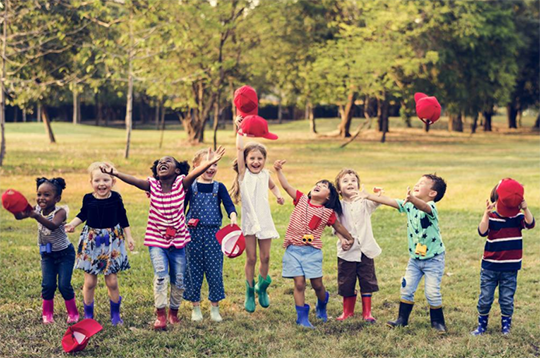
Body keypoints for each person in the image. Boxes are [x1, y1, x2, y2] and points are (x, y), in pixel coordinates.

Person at [101, 147, 225, 330]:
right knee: (160, 276)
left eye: (168, 161)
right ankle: (160, 316)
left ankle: (173, 314)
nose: (162, 163)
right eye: (160, 162)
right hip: (156, 239)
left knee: (179, 278)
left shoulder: (181, 184)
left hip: (179, 241)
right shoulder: (153, 185)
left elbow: (195, 173)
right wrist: (116, 173)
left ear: (177, 170)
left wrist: (207, 162)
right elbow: (135, 181)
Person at [357, 174, 448, 333]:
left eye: (422, 183)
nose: (417, 184)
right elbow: (392, 201)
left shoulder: (431, 207)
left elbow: (424, 207)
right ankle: (402, 319)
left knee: (432, 292)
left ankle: (438, 322)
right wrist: (368, 196)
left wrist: (413, 199)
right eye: (417, 182)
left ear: (432, 193)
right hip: (415, 259)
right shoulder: (409, 205)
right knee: (406, 288)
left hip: (434, 260)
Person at [274, 159, 354, 328]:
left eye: (323, 185)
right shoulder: (301, 200)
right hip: (293, 250)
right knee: (299, 283)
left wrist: (349, 237)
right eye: (317, 184)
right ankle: (302, 317)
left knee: (317, 284)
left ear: (329, 197)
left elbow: (338, 226)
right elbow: (287, 187)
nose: (318, 185)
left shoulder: (327, 212)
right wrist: (278, 171)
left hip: (312, 252)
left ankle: (323, 301)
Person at [66, 162, 135, 326]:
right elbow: (83, 214)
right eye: (97, 180)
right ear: (91, 183)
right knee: (90, 282)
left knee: (111, 281)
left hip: (112, 242)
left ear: (113, 181)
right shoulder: (88, 198)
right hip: (92, 242)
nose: (101, 184)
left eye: (106, 180)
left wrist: (129, 237)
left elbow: (123, 218)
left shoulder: (116, 198)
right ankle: (88, 315)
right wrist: (72, 224)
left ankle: (115, 315)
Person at [230, 117, 283, 313]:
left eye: (259, 158)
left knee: (266, 257)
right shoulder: (243, 175)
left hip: (265, 221)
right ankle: (250, 291)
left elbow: (274, 186)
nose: (256, 161)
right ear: (246, 160)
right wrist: (240, 130)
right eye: (252, 158)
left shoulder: (265, 175)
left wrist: (278, 196)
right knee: (251, 258)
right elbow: (238, 149)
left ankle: (262, 288)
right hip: (250, 223)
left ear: (264, 160)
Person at [471, 178, 535, 335]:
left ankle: (506, 326)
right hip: (490, 267)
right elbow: (482, 231)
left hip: (510, 268)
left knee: (506, 299)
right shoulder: (492, 217)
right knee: (485, 298)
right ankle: (482, 325)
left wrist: (525, 209)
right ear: (496, 198)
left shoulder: (518, 217)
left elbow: (531, 223)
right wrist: (485, 215)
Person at [183, 149, 237, 323]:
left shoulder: (218, 187)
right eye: (207, 163)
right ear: (196, 167)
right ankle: (196, 307)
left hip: (214, 235)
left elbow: (229, 205)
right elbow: (180, 208)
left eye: (215, 164)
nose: (211, 167)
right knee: (193, 271)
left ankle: (215, 308)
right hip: (192, 235)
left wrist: (233, 216)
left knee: (214, 272)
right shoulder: (190, 187)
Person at [16, 177, 79, 324]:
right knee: (47, 285)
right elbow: (20, 216)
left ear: (57, 198)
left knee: (64, 285)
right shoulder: (36, 209)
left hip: (65, 254)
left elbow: (53, 225)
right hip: (47, 255)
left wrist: (36, 216)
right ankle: (47, 313)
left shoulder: (61, 211)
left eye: (46, 195)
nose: (41, 198)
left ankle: (73, 313)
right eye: (39, 194)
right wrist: (14, 206)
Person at [334, 169, 382, 323]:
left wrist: (375, 194)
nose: (350, 183)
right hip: (346, 251)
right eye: (346, 181)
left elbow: (377, 202)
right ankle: (347, 311)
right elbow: (335, 226)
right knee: (346, 281)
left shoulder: (364, 203)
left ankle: (367, 313)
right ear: (339, 189)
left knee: (367, 281)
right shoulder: (338, 206)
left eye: (353, 180)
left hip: (365, 250)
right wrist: (342, 239)